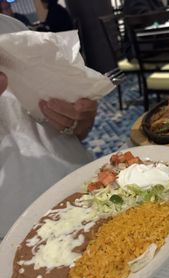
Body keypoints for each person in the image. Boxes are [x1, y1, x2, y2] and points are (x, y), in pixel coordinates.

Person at [0, 14, 97, 238]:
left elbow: (76, 128)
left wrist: (79, 118)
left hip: (90, 186)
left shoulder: (12, 27)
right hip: (20, 236)